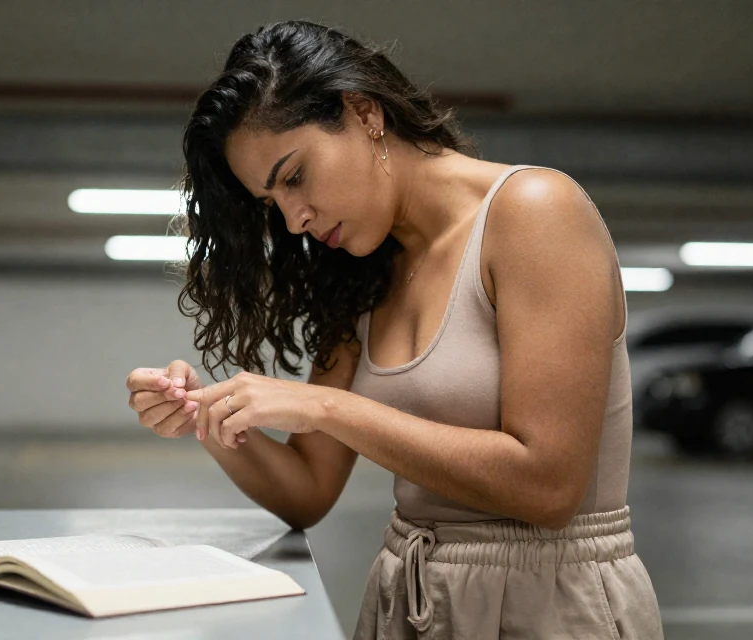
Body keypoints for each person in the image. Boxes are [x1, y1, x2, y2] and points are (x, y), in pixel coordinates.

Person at [124, 20, 663, 639]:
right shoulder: (360, 269)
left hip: (549, 605)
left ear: (363, 112)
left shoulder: (535, 211)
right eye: (272, 204)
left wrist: (329, 406)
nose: (295, 220)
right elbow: (308, 491)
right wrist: (207, 417)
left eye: (294, 175)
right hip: (408, 601)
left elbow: (547, 486)